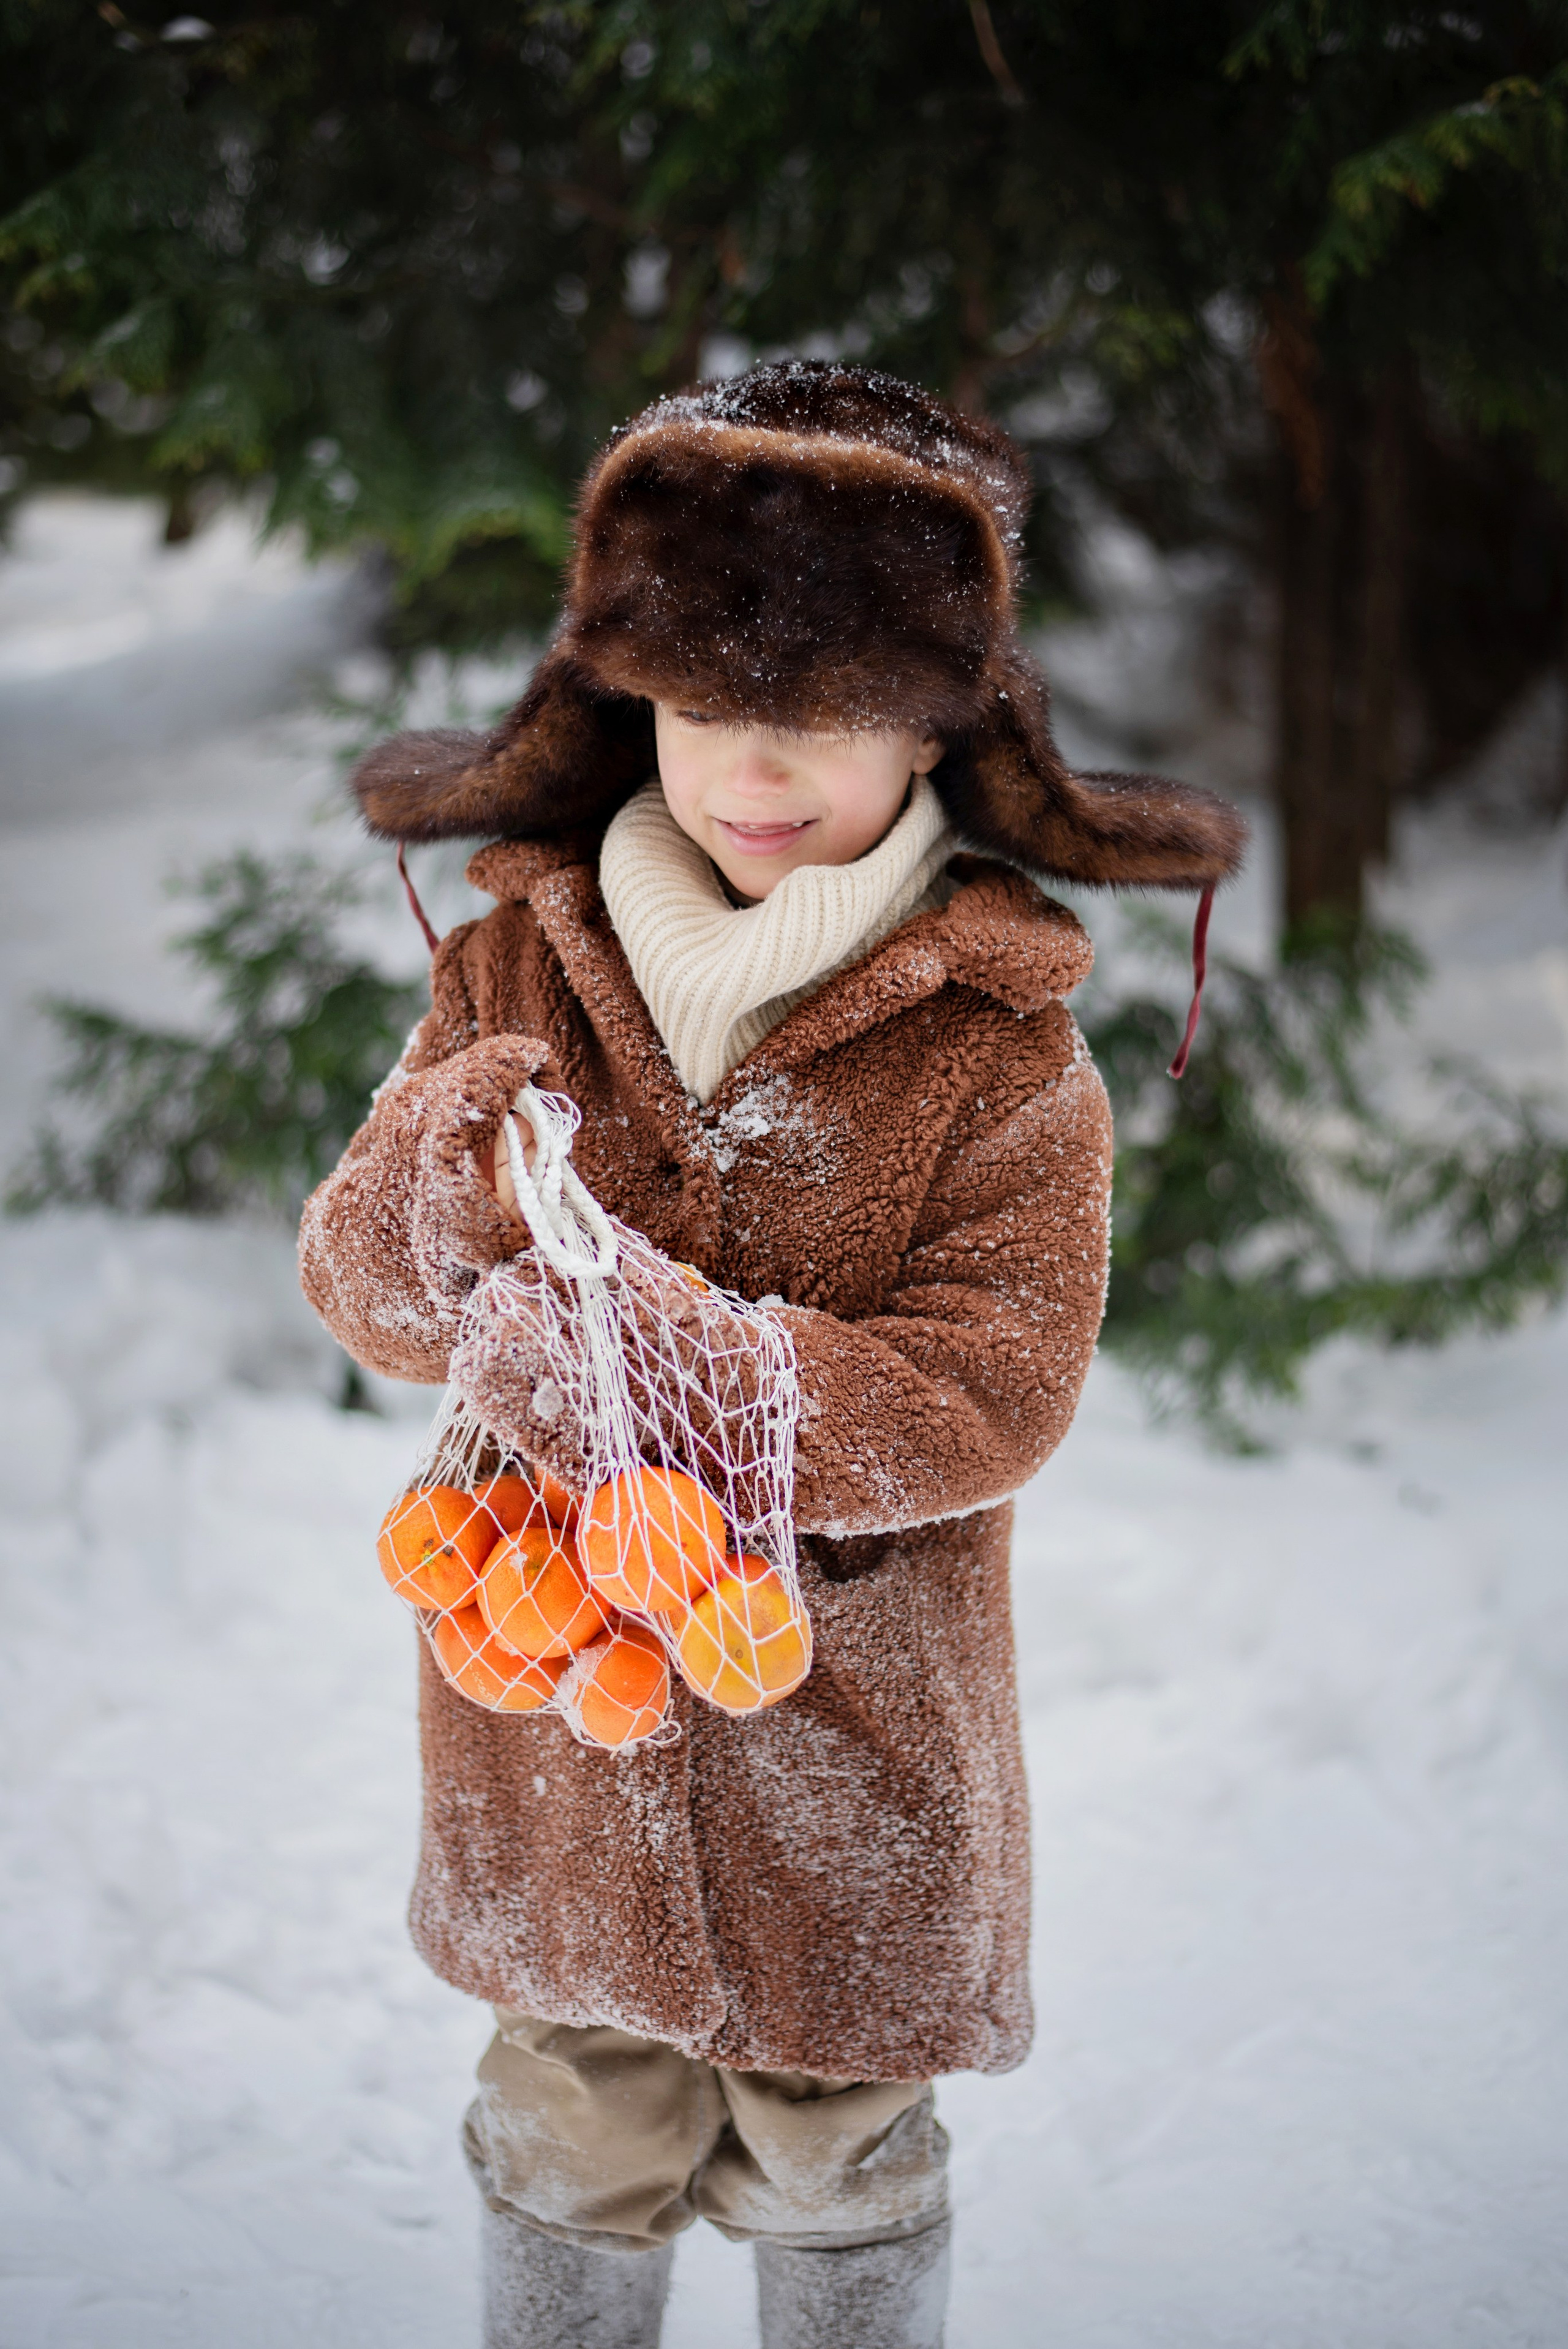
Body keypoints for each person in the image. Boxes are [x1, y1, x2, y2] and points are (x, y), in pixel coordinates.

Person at [299, 361, 1245, 2349]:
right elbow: (377, 1295)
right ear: (629, 697)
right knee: (568, 2112)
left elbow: (998, 1385)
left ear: (939, 730)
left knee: (837, 2142)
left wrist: (669, 1370)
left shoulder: (998, 1042)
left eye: (826, 729)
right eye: (715, 714)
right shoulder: (513, 958)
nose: (757, 775)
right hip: (560, 1709)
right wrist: (424, 1188)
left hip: (852, 1733)